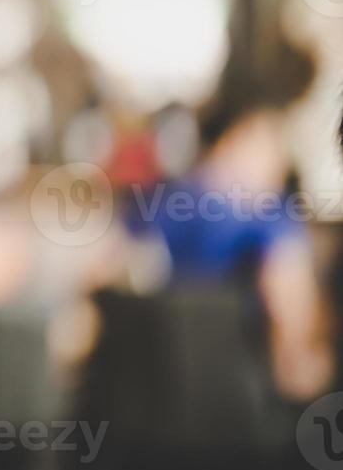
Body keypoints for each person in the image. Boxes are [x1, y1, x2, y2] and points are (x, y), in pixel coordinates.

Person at [123, 96, 332, 400]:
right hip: (233, 384)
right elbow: (288, 300)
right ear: (232, 141)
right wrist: (301, 357)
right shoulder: (270, 218)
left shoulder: (163, 199)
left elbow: (114, 265)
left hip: (154, 383)